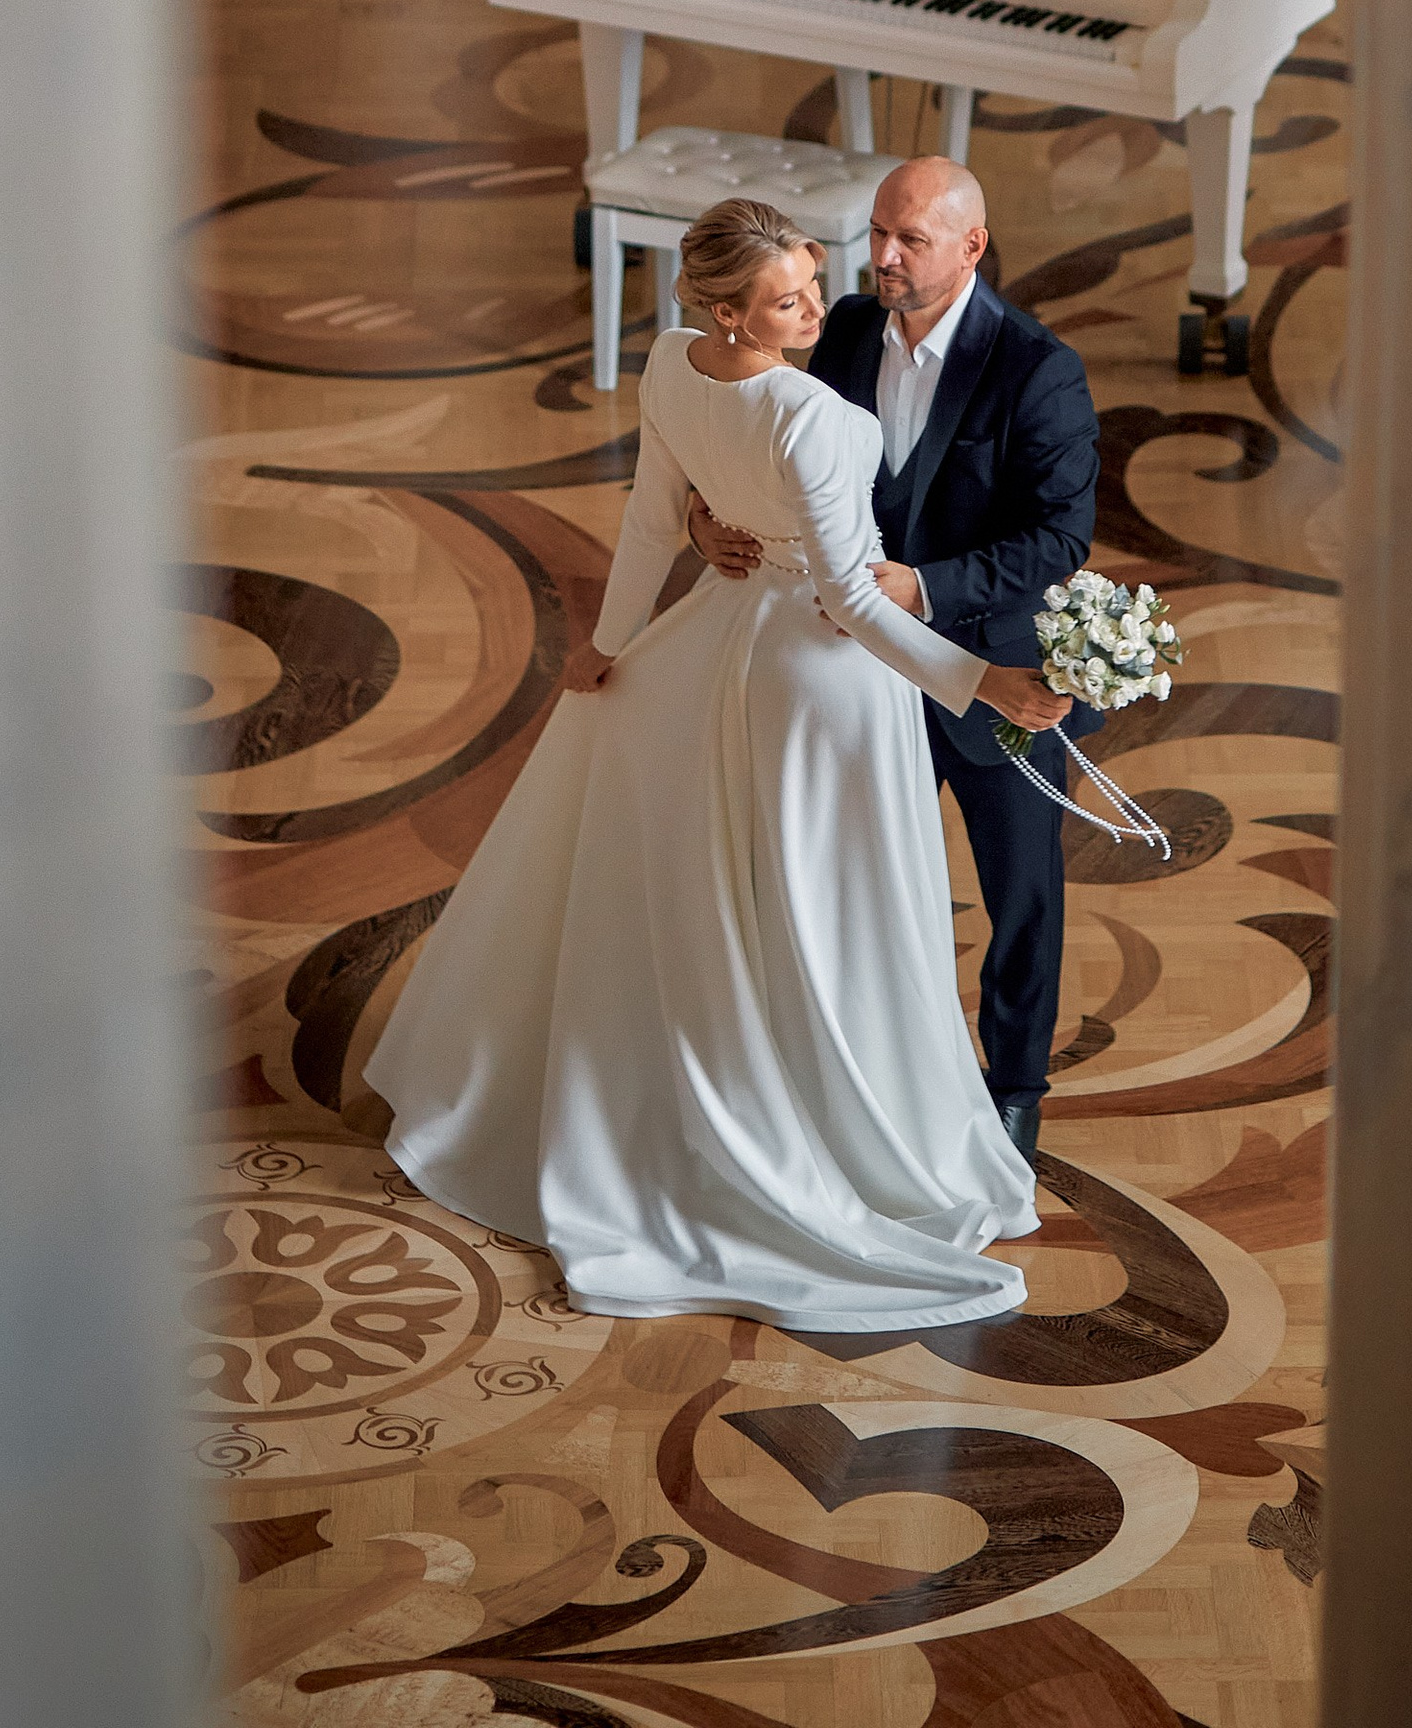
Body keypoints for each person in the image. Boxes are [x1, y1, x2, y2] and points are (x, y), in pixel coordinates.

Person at [366, 196, 1067, 1329]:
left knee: (746, 893)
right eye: (789, 299)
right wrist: (986, 684)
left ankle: (742, 1080)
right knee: (831, 910)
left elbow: (652, 519)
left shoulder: (667, 362)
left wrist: (611, 646)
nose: (818, 308)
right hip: (824, 679)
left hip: (718, 637)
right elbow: (849, 600)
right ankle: (836, 1125)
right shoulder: (814, 414)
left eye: (813, 285)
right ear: (731, 312)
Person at [690, 157, 1100, 1162]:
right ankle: (866, 1081)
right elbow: (754, 440)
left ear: (971, 246)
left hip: (995, 677)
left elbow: (1059, 538)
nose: (881, 255)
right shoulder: (838, 332)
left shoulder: (1036, 368)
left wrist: (929, 586)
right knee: (856, 881)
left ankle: (1015, 1090)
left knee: (1020, 894)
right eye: (878, 231)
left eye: (909, 239)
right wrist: (704, 520)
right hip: (856, 671)